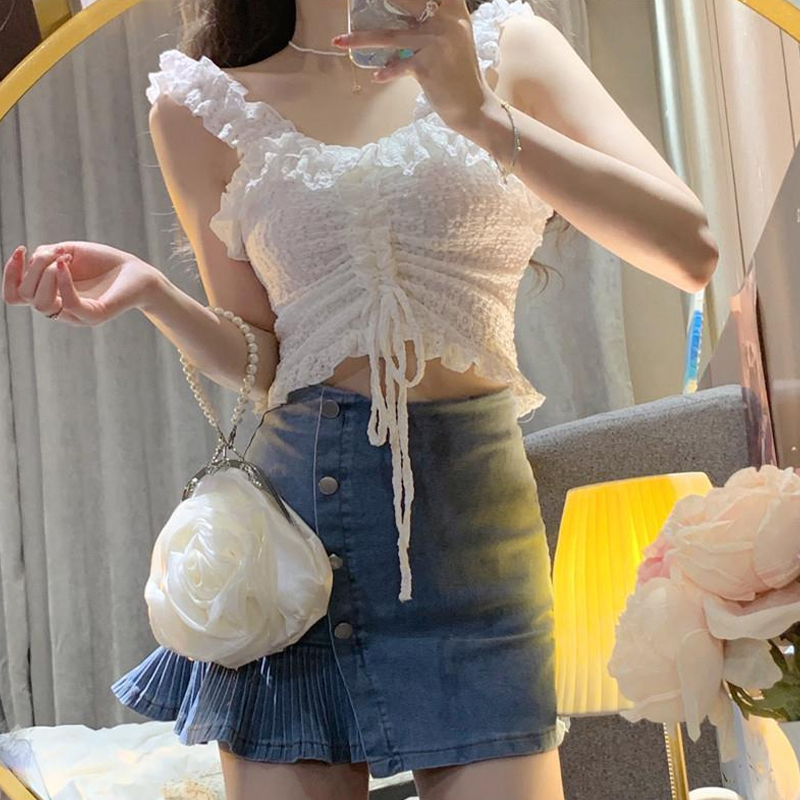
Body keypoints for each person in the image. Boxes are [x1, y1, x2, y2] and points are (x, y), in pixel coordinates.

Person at [2, 0, 718, 797]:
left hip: (474, 533)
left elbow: (690, 252)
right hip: (298, 545)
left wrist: (480, 115)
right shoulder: (198, 106)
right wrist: (153, 294)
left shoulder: (509, 47)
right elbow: (265, 361)